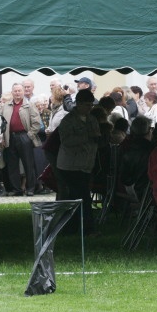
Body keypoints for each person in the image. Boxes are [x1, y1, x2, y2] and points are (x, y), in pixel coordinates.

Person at [57, 89, 100, 234]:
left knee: (80, 196)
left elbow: (96, 136)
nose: (90, 108)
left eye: (91, 105)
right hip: (70, 165)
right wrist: (87, 137)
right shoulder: (68, 120)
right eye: (87, 105)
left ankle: (74, 227)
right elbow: (66, 141)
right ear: (79, 104)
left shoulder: (92, 119)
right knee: (80, 197)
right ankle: (84, 228)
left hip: (86, 164)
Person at [0, 83, 41, 196]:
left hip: (24, 136)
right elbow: (1, 123)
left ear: (23, 92)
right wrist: (2, 137)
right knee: (12, 165)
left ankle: (31, 188)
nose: (17, 93)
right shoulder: (6, 106)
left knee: (28, 163)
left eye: (19, 91)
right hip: (10, 137)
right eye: (15, 91)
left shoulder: (30, 105)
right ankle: (16, 190)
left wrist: (29, 135)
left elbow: (36, 123)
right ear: (12, 92)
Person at [120, 116, 153, 200]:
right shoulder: (150, 150)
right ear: (148, 130)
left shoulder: (126, 144)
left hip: (125, 185)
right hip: (140, 188)